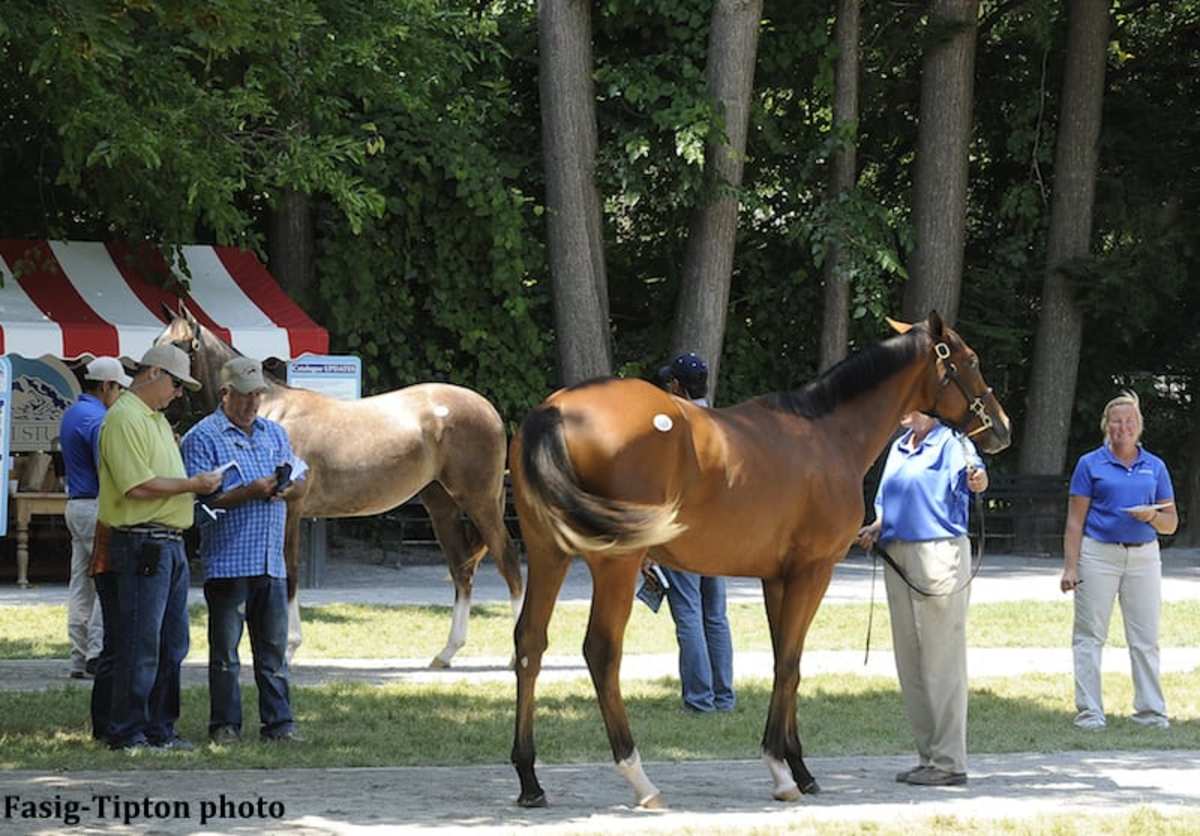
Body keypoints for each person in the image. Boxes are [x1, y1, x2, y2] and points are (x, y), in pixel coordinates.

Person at [97, 344, 223, 751]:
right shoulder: (124, 418)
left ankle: (159, 728)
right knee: (140, 640)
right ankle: (128, 730)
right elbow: (137, 486)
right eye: (174, 383)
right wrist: (193, 485)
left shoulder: (151, 419)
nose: (178, 394)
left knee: (171, 642)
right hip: (142, 542)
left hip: (166, 543)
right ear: (152, 373)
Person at [856, 411, 988, 787]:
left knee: (941, 659)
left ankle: (950, 761)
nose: (902, 408)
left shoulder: (951, 441)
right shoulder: (899, 446)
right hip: (897, 554)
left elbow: (974, 476)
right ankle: (928, 756)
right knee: (910, 661)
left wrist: (977, 479)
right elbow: (889, 501)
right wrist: (877, 526)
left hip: (939, 553)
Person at [181, 357, 304, 744]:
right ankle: (225, 726)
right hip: (229, 562)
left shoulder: (274, 434)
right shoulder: (202, 438)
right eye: (245, 397)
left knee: (273, 653)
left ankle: (280, 725)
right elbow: (198, 509)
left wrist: (288, 486)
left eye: (258, 396)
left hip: (270, 560)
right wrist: (247, 493)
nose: (253, 404)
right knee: (226, 656)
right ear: (224, 393)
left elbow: (300, 479)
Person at [1061, 390, 1176, 731]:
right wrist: (1070, 566)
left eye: (1129, 421)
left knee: (1145, 637)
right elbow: (1074, 522)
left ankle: (1151, 711)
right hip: (1098, 555)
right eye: (1116, 421)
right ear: (1106, 426)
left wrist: (1151, 518)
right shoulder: (1090, 464)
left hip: (1144, 557)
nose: (1122, 427)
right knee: (1089, 635)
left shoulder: (1154, 466)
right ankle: (1090, 712)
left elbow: (1170, 523)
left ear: (1139, 426)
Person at [654, 352, 736, 713]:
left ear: (676, 386)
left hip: (683, 532)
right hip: (718, 530)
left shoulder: (674, 426)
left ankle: (699, 699)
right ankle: (724, 695)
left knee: (688, 613)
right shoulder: (721, 424)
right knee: (715, 616)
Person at [59, 356, 131, 680]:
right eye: (118, 389)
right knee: (108, 581)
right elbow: (109, 467)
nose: (119, 396)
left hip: (75, 504)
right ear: (106, 386)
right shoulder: (99, 420)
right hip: (97, 507)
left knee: (80, 584)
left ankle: (78, 656)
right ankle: (97, 653)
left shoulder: (73, 412)